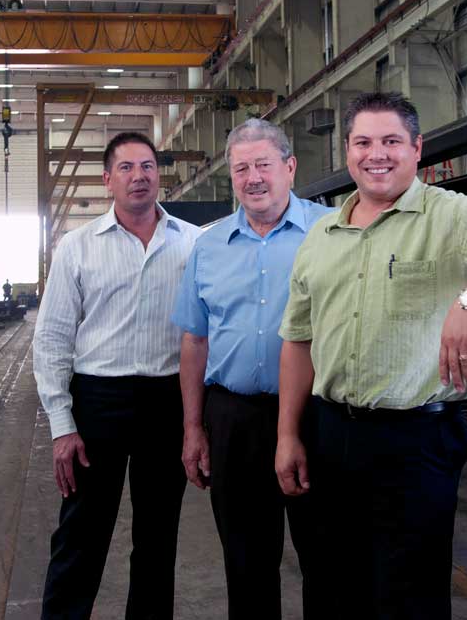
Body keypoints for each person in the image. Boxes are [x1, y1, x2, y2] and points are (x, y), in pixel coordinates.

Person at [274, 92, 467, 620]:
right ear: (346, 151)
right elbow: (298, 340)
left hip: (415, 439)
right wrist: (287, 436)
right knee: (329, 583)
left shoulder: (453, 216)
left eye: (392, 141)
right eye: (363, 142)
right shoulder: (320, 235)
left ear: (417, 149)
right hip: (329, 433)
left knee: (409, 592)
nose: (377, 154)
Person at [33, 131, 202, 620]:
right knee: (81, 532)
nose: (138, 176)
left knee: (157, 536)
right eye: (126, 168)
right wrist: (62, 426)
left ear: (159, 177)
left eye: (147, 166)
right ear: (108, 180)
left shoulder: (192, 244)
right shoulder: (77, 247)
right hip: (97, 402)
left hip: (166, 402)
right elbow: (52, 339)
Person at [172, 119, 331, 619]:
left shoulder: (333, 232)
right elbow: (195, 341)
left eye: (264, 165)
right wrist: (193, 428)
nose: (253, 178)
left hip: (318, 416)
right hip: (233, 419)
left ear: (289, 167)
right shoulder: (209, 245)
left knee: (328, 560)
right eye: (241, 169)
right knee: (245, 562)